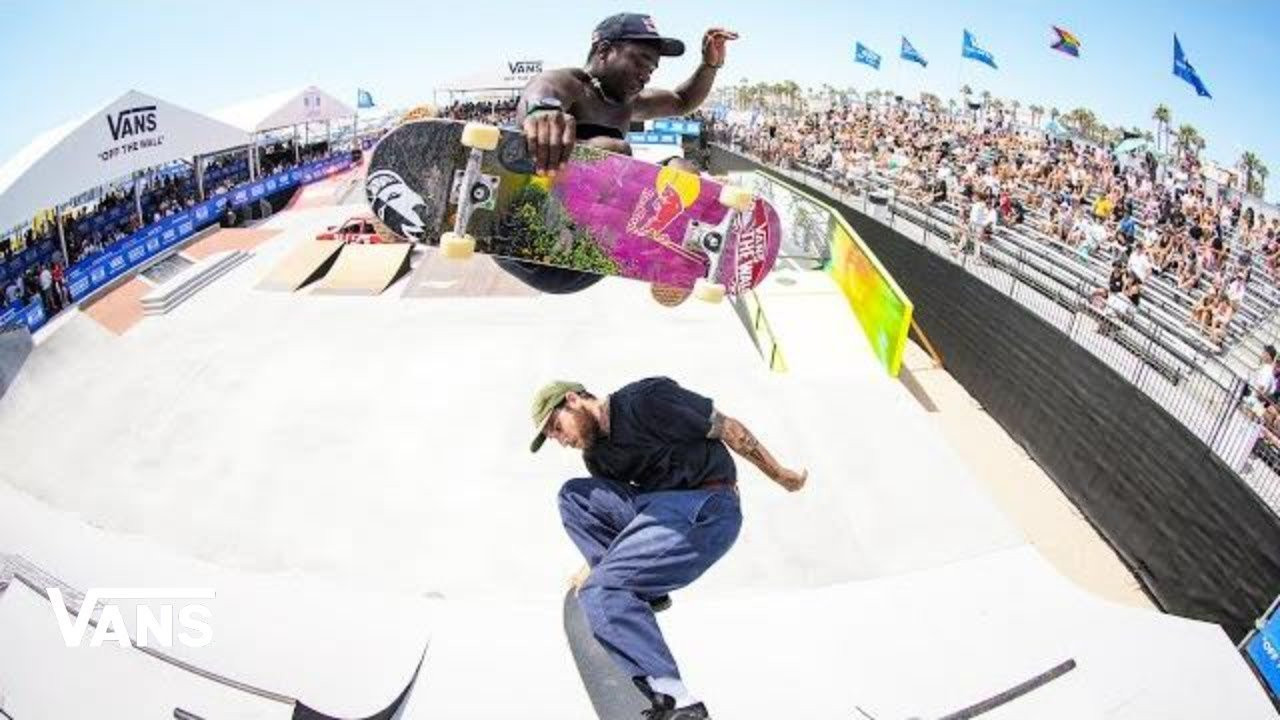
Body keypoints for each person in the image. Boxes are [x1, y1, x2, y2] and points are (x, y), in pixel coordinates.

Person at [531, 378, 806, 719]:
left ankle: (679, 701)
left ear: (573, 400)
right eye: (554, 437)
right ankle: (630, 588)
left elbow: (729, 429)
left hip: (708, 505)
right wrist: (598, 563)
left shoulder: (646, 401)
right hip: (659, 511)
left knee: (601, 592)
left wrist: (781, 475)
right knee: (574, 498)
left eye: (557, 428)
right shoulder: (598, 457)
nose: (562, 441)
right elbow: (620, 516)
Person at [496, 13, 738, 294]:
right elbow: (544, 87)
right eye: (640, 61)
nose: (647, 74)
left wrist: (709, 66)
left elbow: (681, 101)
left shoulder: (629, 103)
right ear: (604, 51)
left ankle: (665, 255)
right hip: (530, 235)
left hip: (585, 259)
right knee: (616, 149)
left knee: (682, 170)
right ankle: (561, 221)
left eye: (652, 68)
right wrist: (542, 109)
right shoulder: (574, 85)